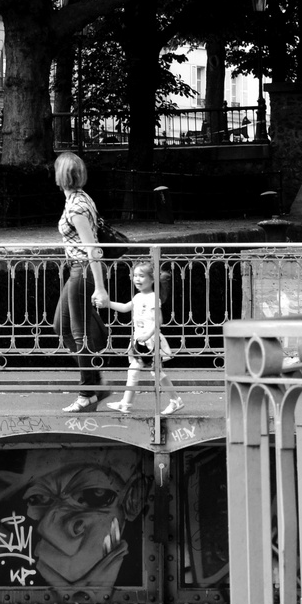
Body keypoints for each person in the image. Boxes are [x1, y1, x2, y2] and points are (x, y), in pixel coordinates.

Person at [53, 151, 111, 413]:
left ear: (61, 175)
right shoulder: (80, 199)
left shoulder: (76, 206)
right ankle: (95, 381)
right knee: (61, 325)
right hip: (78, 269)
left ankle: (87, 393)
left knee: (79, 333)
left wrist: (100, 287)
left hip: (83, 270)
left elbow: (93, 248)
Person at [103, 261, 183, 416]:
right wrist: (108, 303)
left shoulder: (153, 298)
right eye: (135, 276)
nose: (137, 279)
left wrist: (148, 335)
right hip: (139, 341)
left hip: (150, 341)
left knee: (156, 372)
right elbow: (126, 307)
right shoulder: (138, 296)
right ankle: (126, 404)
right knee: (134, 370)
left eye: (141, 276)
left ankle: (175, 400)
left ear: (152, 279)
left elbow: (158, 321)